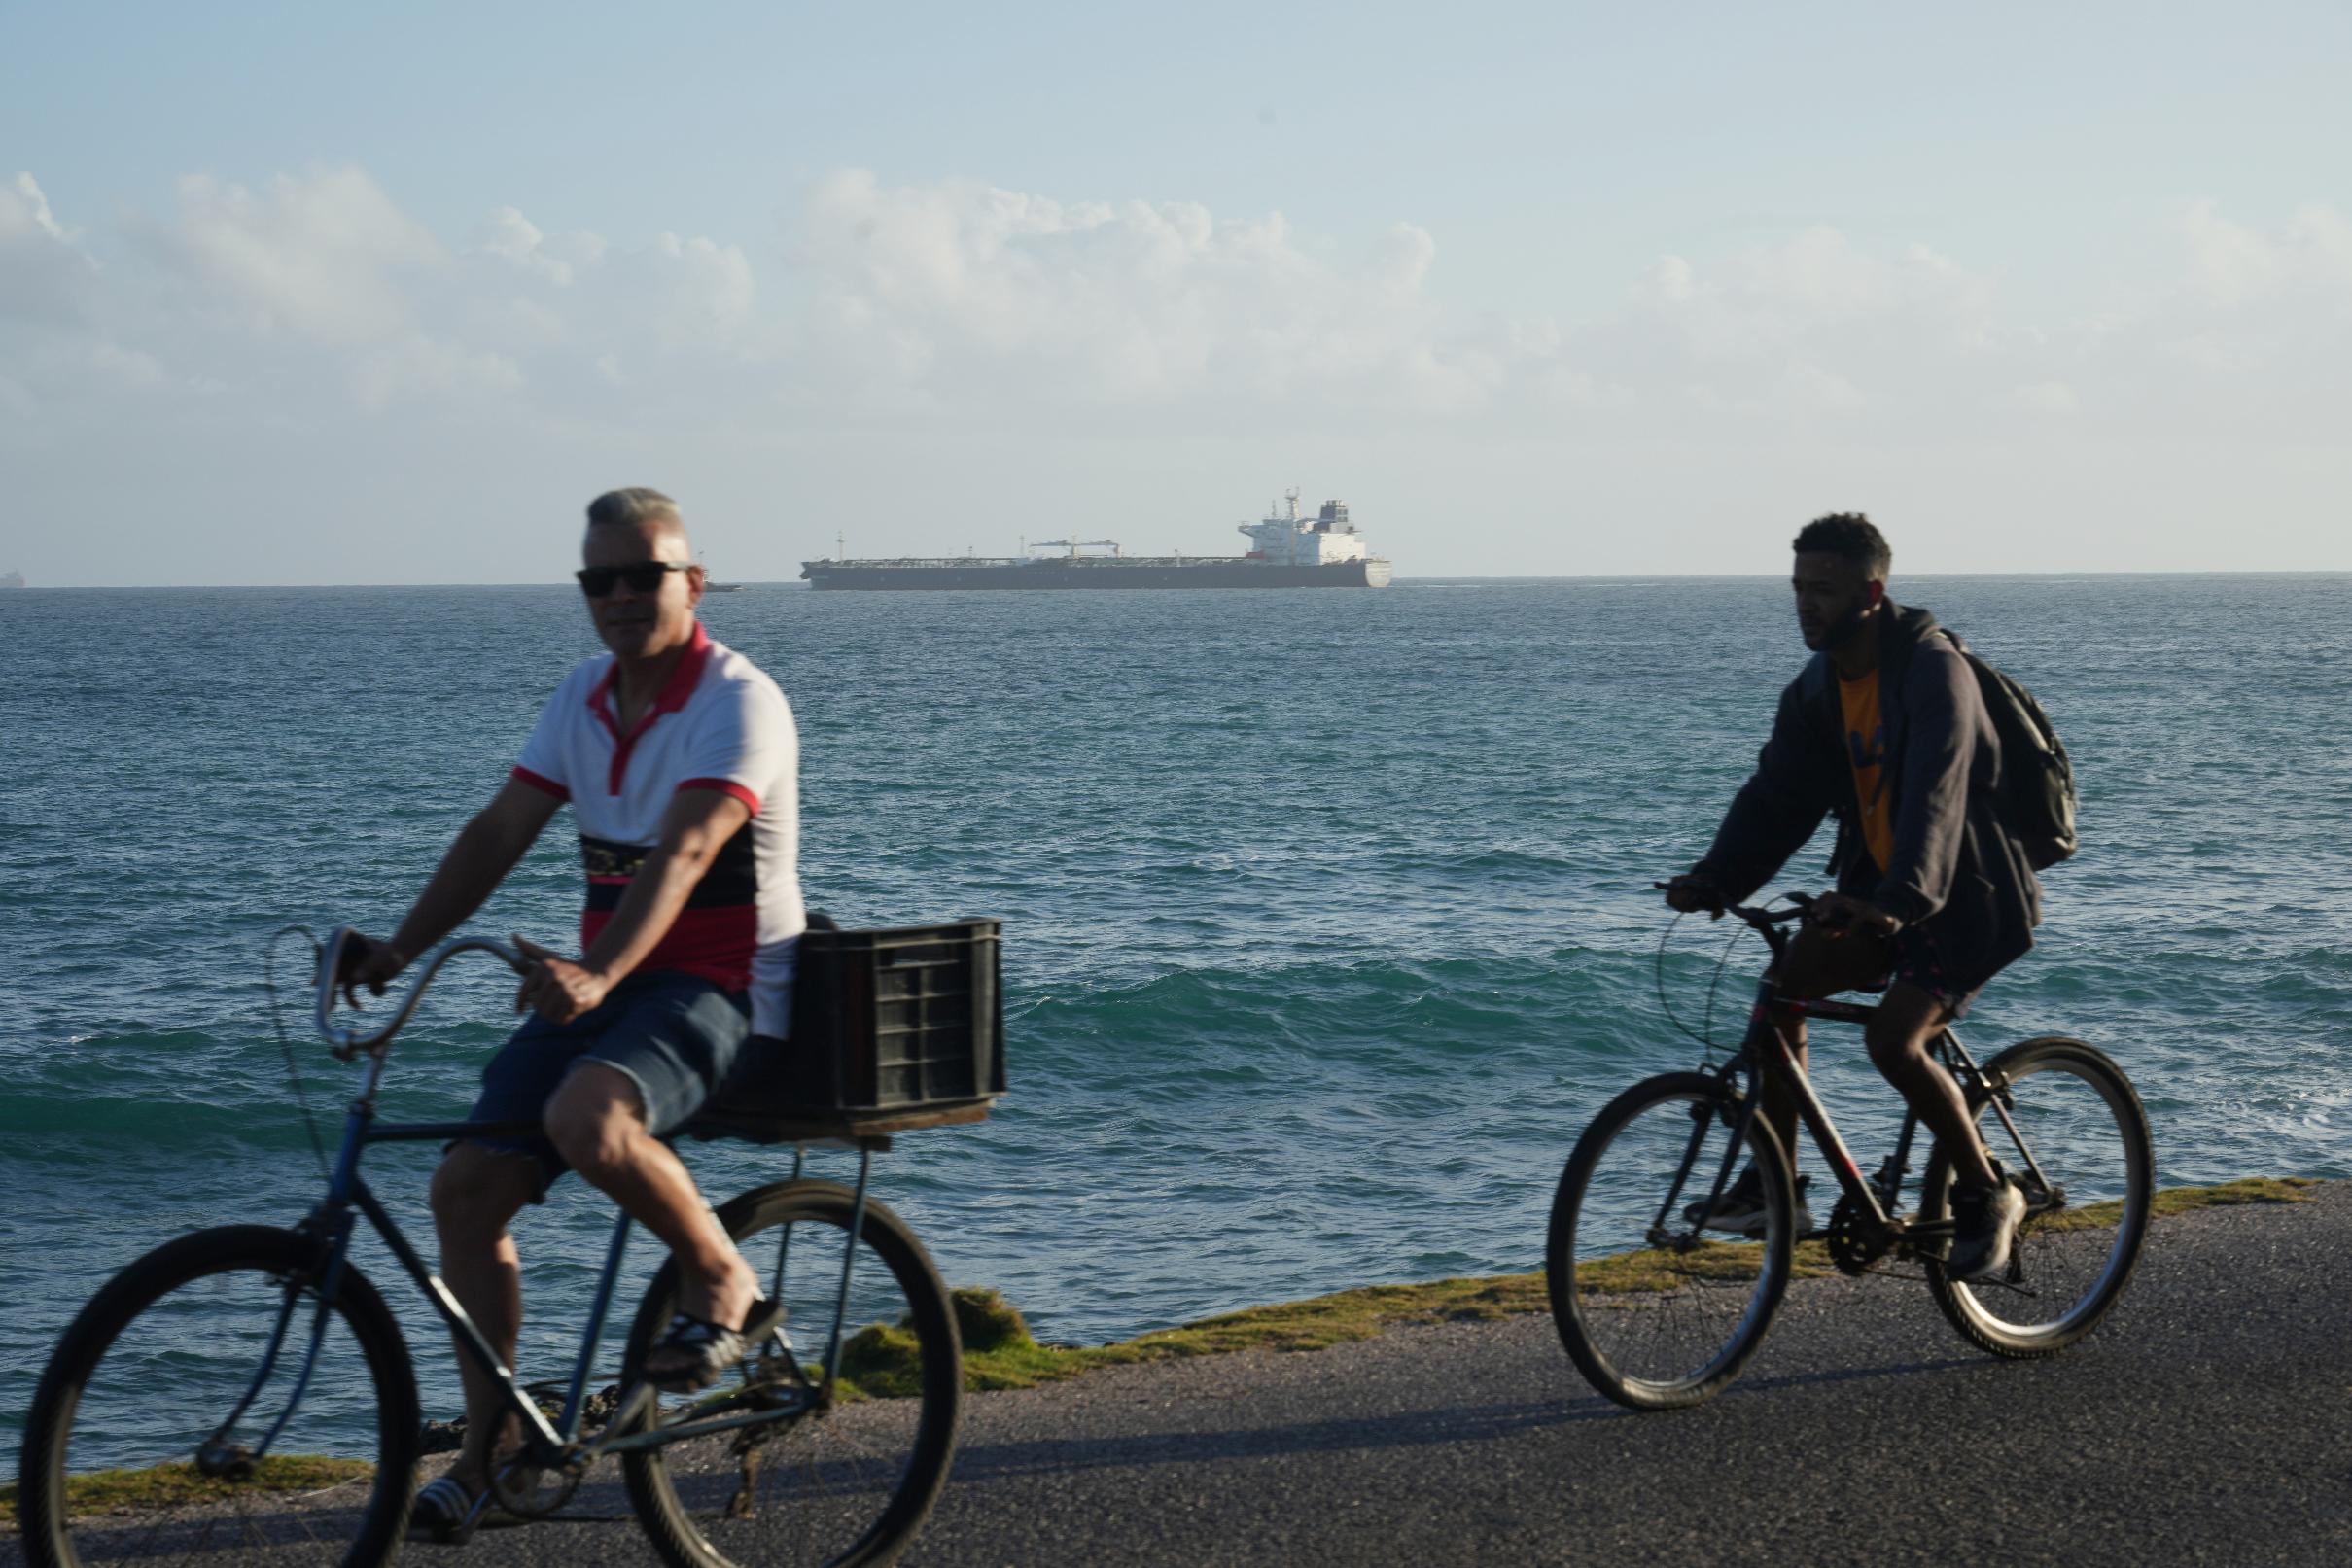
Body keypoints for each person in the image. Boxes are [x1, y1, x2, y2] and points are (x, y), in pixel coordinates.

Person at [339, 487, 805, 1537]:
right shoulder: (582, 697)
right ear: (584, 591)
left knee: (587, 1121)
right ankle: (494, 1444)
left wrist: (596, 974)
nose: (625, 594)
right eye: (603, 578)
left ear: (694, 580)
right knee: (462, 1188)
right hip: (606, 981)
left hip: (718, 986)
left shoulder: (739, 699)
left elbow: (687, 851)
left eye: (649, 573)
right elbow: (499, 828)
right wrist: (398, 945)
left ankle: (719, 1271)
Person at [1664, 513, 2042, 1282]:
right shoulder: (1818, 690)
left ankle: (1988, 1189)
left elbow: (1937, 794)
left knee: (1892, 1040)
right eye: (1798, 588)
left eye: (1823, 590)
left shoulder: (1934, 672)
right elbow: (1777, 796)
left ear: (1871, 591)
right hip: (1881, 891)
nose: (1806, 605)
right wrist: (1716, 877)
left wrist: (1899, 900)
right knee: (1781, 996)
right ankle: (1778, 1193)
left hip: (1965, 896)